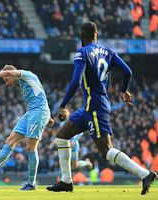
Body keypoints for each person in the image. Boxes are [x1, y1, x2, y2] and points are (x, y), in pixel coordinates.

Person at [46, 21, 157, 195]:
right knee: (61, 136)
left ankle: (145, 174)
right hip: (89, 107)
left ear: (81, 36)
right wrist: (124, 90)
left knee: (106, 150)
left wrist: (63, 104)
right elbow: (128, 71)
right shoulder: (109, 52)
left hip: (95, 107)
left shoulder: (82, 53)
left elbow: (76, 81)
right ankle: (66, 181)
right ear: (96, 35)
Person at [0, 65, 54, 190]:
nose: (7, 84)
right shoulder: (23, 84)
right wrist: (48, 118)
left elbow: (41, 103)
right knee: (10, 141)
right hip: (32, 112)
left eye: (6, 80)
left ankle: (31, 183)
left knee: (30, 147)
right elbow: (40, 96)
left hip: (38, 112)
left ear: (10, 74)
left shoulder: (26, 74)